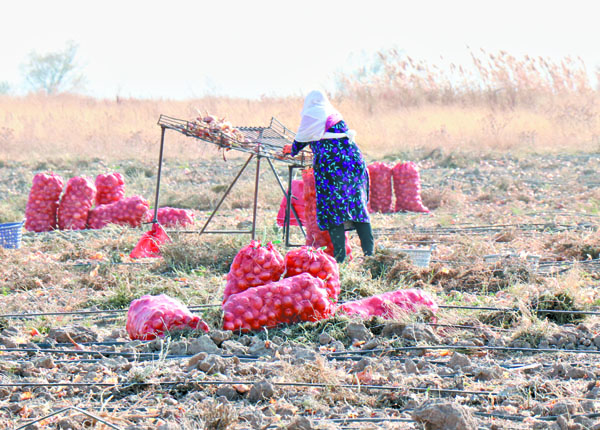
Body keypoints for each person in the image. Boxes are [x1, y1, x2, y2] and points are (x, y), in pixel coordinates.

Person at [289, 90, 374, 263]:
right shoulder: (333, 114)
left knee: (333, 208)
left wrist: (291, 150)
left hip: (333, 168)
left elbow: (298, 144)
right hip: (353, 162)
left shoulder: (312, 114)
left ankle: (340, 258)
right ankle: (371, 256)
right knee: (357, 206)